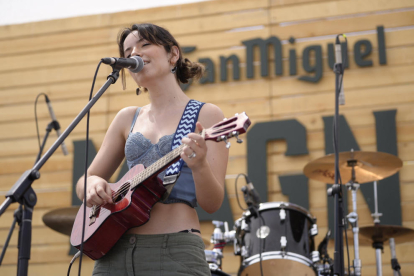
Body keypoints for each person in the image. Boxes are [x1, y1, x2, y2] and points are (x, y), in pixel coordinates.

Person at [75, 23, 229, 276]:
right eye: (128, 52)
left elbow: (213, 203)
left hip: (175, 251)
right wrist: (91, 186)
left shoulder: (206, 114)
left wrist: (199, 165)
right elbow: (85, 179)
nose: (135, 53)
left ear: (173, 54)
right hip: (113, 252)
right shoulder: (127, 118)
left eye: (145, 44)